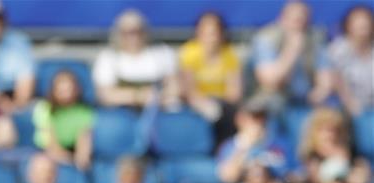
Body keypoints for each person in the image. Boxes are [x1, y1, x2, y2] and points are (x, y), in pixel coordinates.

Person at [250, 1, 334, 110]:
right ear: (282, 19)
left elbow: (325, 81)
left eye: (303, 20)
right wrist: (292, 49)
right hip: (276, 100)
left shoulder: (315, 39)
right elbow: (270, 81)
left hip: (307, 100)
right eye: (295, 20)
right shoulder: (266, 38)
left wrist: (319, 94)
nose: (300, 25)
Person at [93, 8, 179, 109]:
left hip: (160, 109)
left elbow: (175, 87)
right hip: (121, 113)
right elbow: (105, 95)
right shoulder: (108, 57)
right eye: (127, 32)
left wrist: (158, 97)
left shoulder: (163, 53)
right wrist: (140, 96)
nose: (133, 37)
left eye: (137, 31)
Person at [179, 12, 242, 143]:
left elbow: (234, 93)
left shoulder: (229, 55)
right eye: (207, 33)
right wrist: (206, 104)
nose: (211, 38)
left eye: (214, 32)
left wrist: (218, 105)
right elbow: (189, 90)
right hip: (197, 105)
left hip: (223, 107)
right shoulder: (189, 53)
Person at [32, 69, 94, 169]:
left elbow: (84, 142)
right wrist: (70, 160)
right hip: (45, 153)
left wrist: (81, 160)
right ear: (54, 90)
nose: (66, 94)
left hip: (71, 153)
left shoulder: (84, 113)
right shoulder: (44, 109)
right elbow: (51, 146)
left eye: (69, 89)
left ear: (77, 89)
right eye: (62, 91)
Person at [328, 4, 374, 116]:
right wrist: (350, 103)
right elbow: (335, 79)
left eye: (366, 20)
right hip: (348, 109)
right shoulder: (337, 50)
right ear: (347, 25)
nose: (363, 23)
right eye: (358, 20)